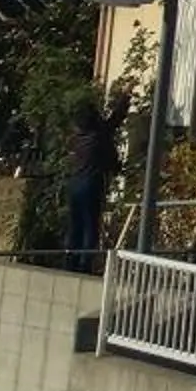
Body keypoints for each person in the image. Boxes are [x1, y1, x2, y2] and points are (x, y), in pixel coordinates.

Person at [63, 91, 119, 269]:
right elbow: (113, 122)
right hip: (91, 183)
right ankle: (85, 263)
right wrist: (125, 98)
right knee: (90, 225)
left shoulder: (77, 140)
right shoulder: (98, 138)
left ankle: (70, 261)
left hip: (75, 183)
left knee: (75, 225)